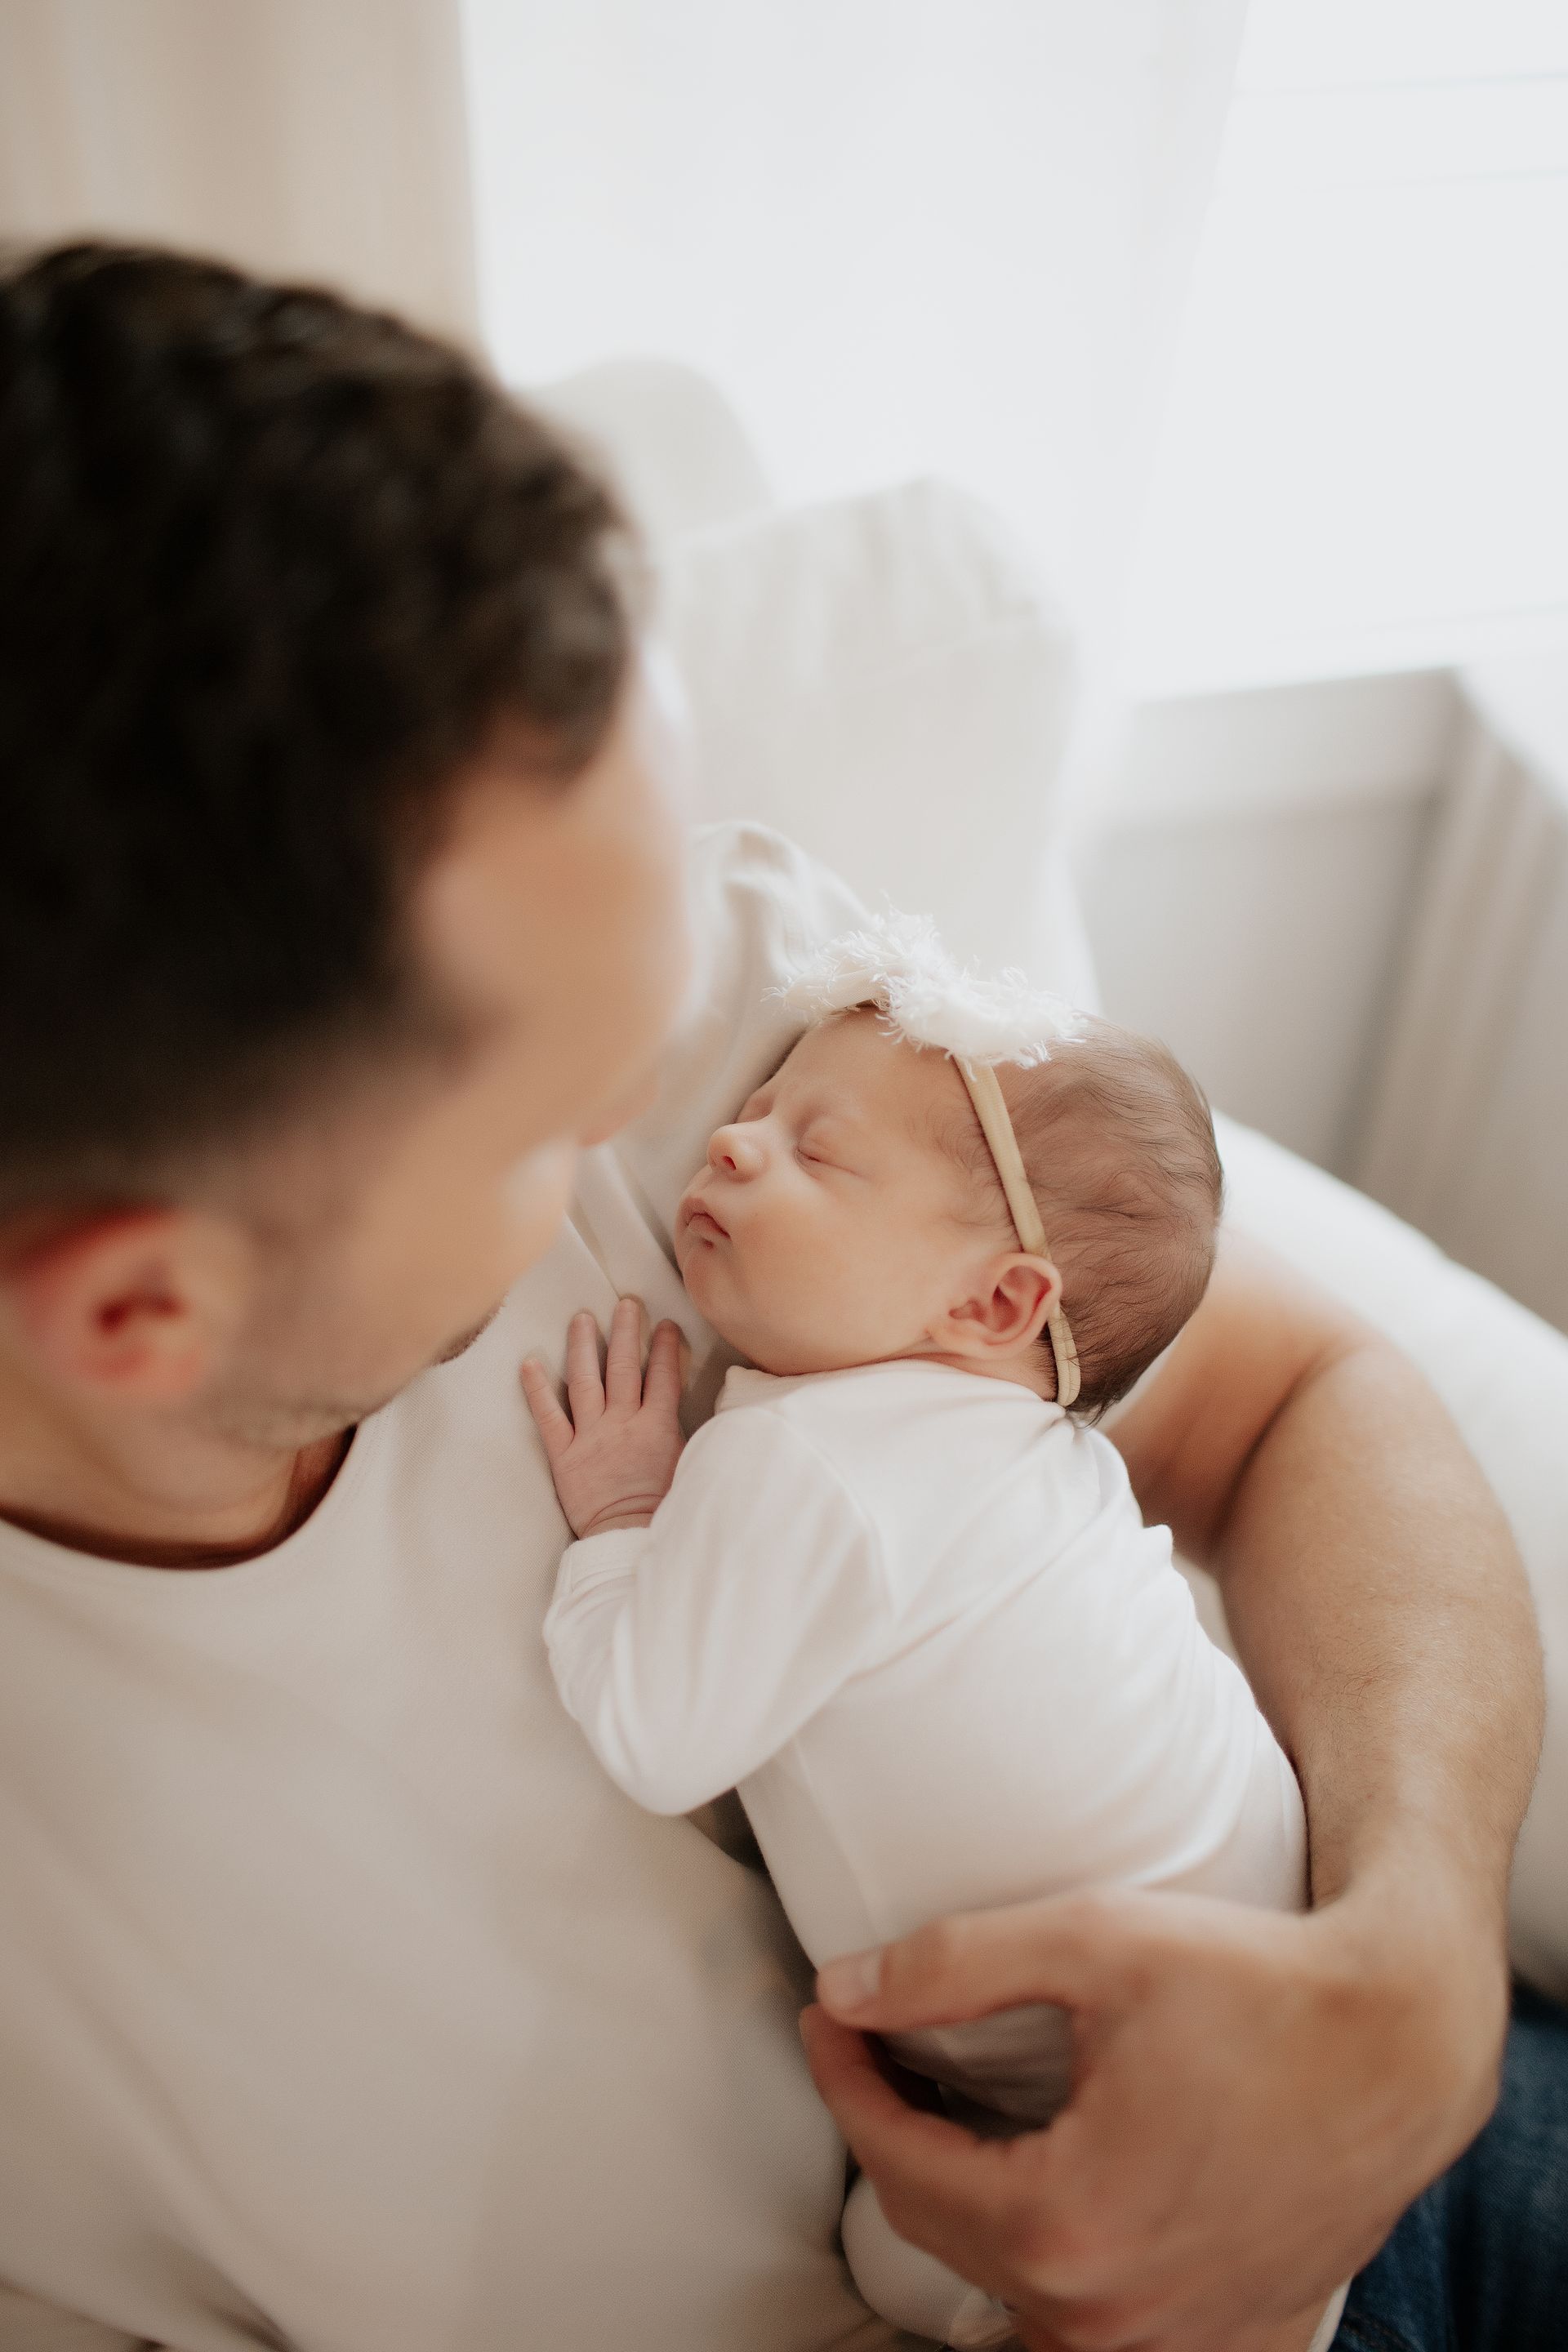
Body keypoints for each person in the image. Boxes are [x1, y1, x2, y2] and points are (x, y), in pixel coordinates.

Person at [0, 238, 1547, 2351]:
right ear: (137, 1315)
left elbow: (1299, 1398)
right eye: (566, 1115)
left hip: (1384, 2162)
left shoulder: (681, 973)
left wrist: (1408, 1984)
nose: (686, 1116)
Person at [528, 927, 1322, 2350]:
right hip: (1277, 1983)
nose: (728, 1142)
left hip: (1098, 2112)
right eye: (757, 1109)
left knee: (902, 2265)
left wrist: (624, 1518)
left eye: (816, 1156)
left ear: (997, 1302)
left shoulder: (812, 1463)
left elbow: (654, 1735)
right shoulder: (1042, 1456)